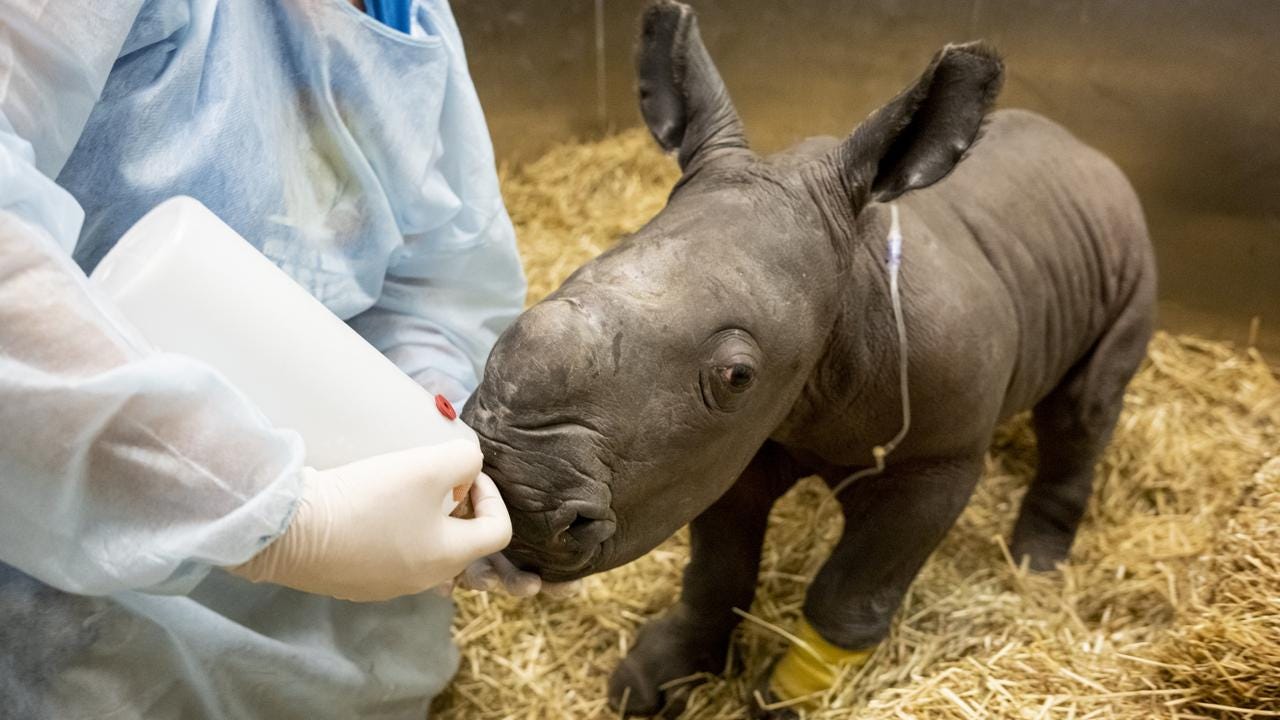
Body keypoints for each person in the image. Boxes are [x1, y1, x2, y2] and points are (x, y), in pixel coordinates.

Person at [0, 1, 546, 717]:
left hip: (354, 622)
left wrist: (426, 425)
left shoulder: (411, 19)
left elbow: (437, 275)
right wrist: (283, 524)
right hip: (70, 585)